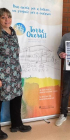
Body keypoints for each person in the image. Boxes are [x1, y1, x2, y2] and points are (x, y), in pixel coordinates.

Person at [0, 8, 32, 139]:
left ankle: (16, 124)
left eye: (9, 17)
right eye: (3, 17)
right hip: (2, 74)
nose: (7, 19)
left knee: (17, 97)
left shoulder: (13, 32)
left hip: (15, 72)